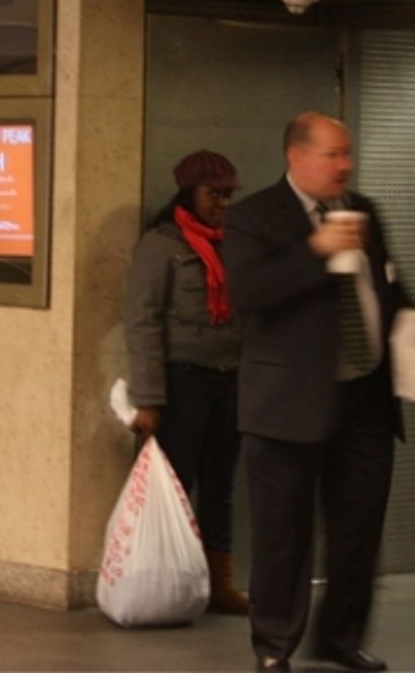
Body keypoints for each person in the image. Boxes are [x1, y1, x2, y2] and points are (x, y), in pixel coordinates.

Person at [223, 112, 415, 672]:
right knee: (283, 537)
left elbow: (384, 281)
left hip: (365, 400)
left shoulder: (363, 210)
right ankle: (274, 646)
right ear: (296, 156)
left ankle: (341, 638)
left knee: (357, 532)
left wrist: (412, 314)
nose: (345, 165)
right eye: (333, 154)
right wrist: (315, 249)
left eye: (348, 153)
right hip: (285, 406)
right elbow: (250, 293)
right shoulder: (253, 217)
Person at [124, 148, 248, 615]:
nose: (222, 204)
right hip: (182, 382)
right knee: (175, 485)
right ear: (188, 193)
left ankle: (219, 584)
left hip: (229, 379)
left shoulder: (233, 243)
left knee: (220, 484)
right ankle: (169, 581)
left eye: (228, 195)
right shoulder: (162, 245)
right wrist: (148, 399)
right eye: (213, 194)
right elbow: (142, 321)